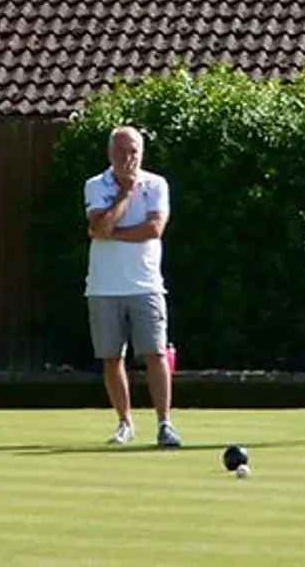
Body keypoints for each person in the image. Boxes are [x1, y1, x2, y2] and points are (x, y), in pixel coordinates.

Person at [83, 125, 181, 448]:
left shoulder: (156, 185)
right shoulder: (96, 185)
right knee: (112, 358)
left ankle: (165, 423)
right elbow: (99, 225)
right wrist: (124, 194)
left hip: (147, 284)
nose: (128, 158)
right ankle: (125, 423)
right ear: (110, 154)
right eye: (122, 152)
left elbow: (154, 229)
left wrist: (114, 233)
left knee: (154, 354)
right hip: (103, 286)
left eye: (134, 152)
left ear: (142, 153)